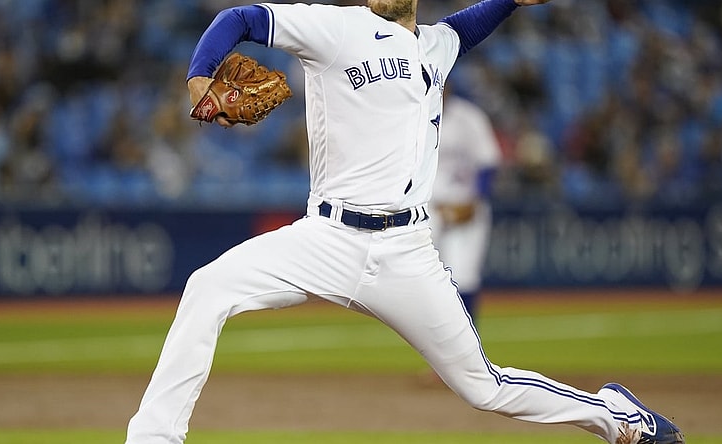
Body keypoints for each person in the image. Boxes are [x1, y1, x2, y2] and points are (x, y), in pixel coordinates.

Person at [125, 1, 685, 443]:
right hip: (326, 237)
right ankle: (153, 439)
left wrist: (510, 2)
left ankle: (616, 416)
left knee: (483, 388)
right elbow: (240, 19)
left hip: (407, 252)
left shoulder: (436, 47)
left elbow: (466, 26)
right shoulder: (333, 29)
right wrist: (200, 77)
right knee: (208, 286)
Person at [429, 88, 501, 324]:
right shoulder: (413, 112)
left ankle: (465, 350)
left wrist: (475, 201)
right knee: (422, 278)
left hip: (464, 206)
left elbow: (488, 163)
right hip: (426, 209)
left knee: (463, 276)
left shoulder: (469, 117)